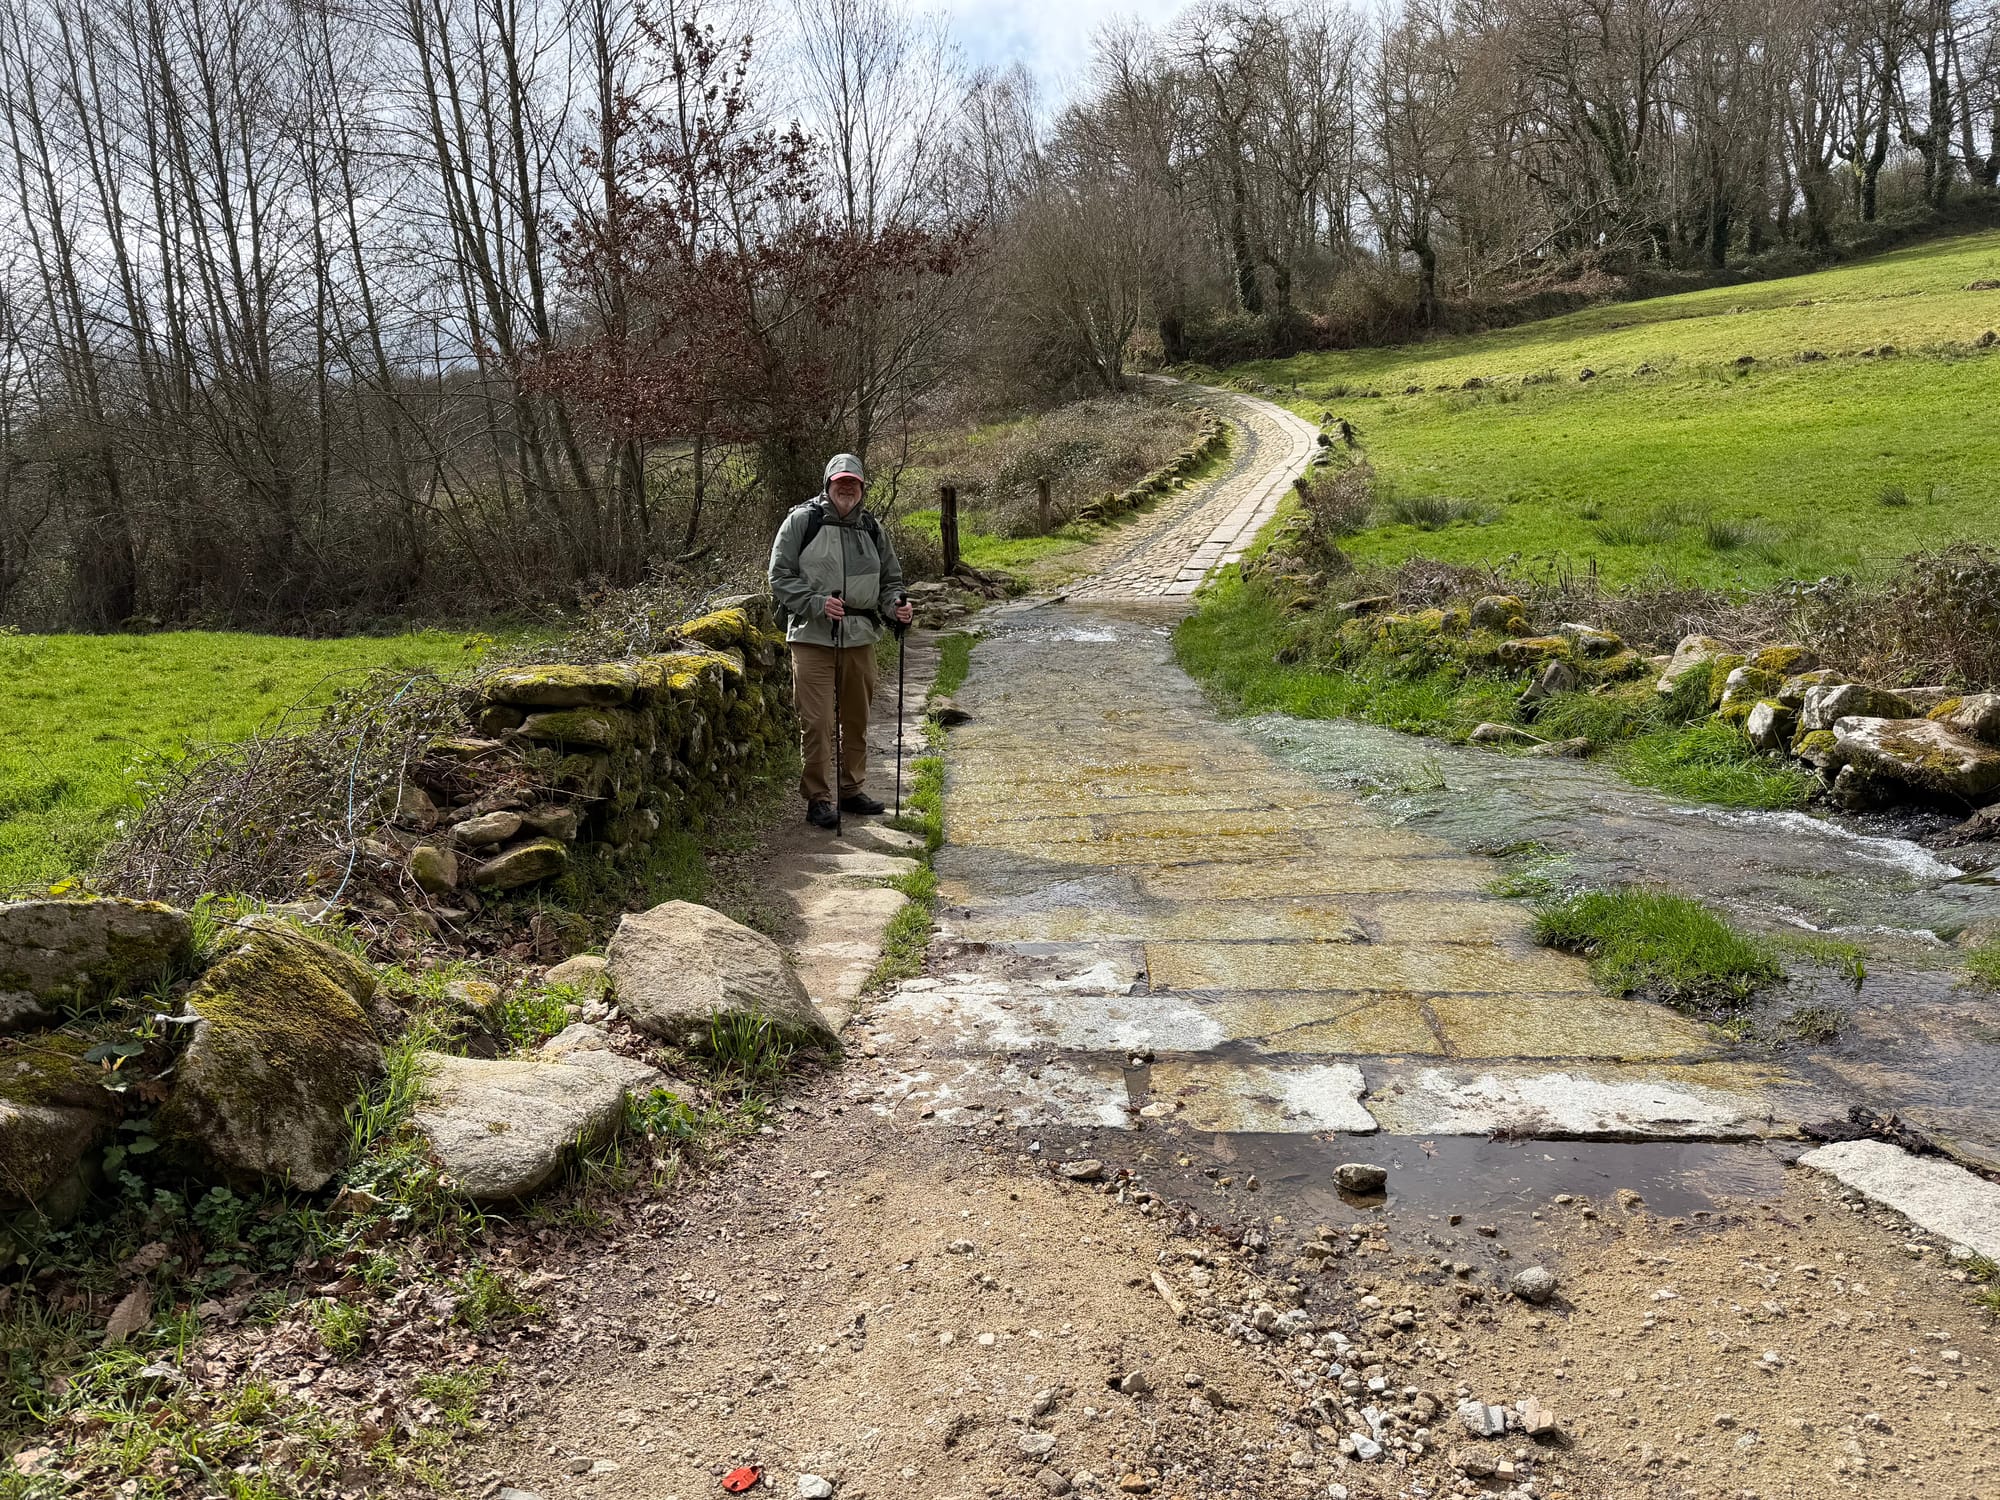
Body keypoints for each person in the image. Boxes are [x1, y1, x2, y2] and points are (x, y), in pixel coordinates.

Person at [767, 453, 916, 829]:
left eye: (853, 482)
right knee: (817, 721)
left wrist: (897, 605)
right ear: (828, 484)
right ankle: (818, 798)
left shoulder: (872, 528)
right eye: (840, 481)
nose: (847, 487)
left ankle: (851, 790)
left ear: (862, 487)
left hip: (860, 637)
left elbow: (891, 581)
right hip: (811, 635)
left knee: (856, 719)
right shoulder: (802, 521)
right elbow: (779, 575)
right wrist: (816, 603)